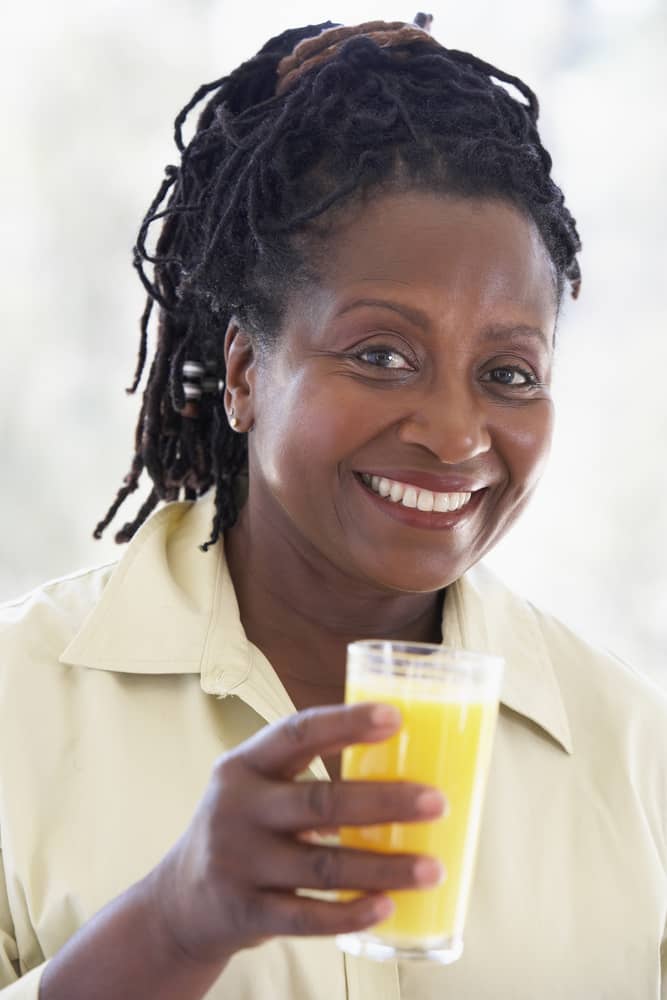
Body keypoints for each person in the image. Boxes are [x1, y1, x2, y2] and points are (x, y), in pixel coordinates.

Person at [1, 17, 665, 1000]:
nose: (454, 432)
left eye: (508, 372)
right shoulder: (20, 707)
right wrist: (171, 926)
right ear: (243, 372)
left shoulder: (633, 754)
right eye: (380, 354)